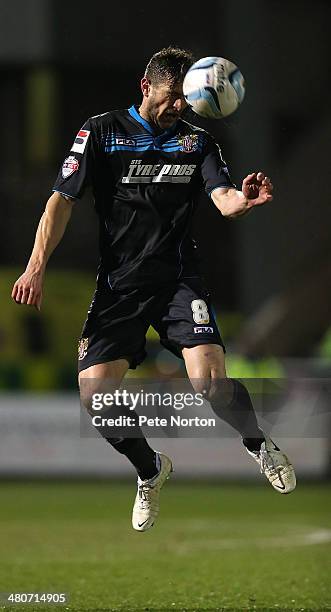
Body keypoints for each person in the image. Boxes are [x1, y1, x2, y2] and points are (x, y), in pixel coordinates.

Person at [12, 47, 296, 532]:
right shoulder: (101, 132)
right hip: (120, 284)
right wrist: (36, 265)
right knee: (95, 397)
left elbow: (223, 200)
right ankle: (150, 470)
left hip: (178, 280)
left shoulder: (197, 144)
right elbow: (61, 200)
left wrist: (245, 201)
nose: (178, 108)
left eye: (184, 101)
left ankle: (257, 445)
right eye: (171, 99)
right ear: (146, 87)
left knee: (209, 382)